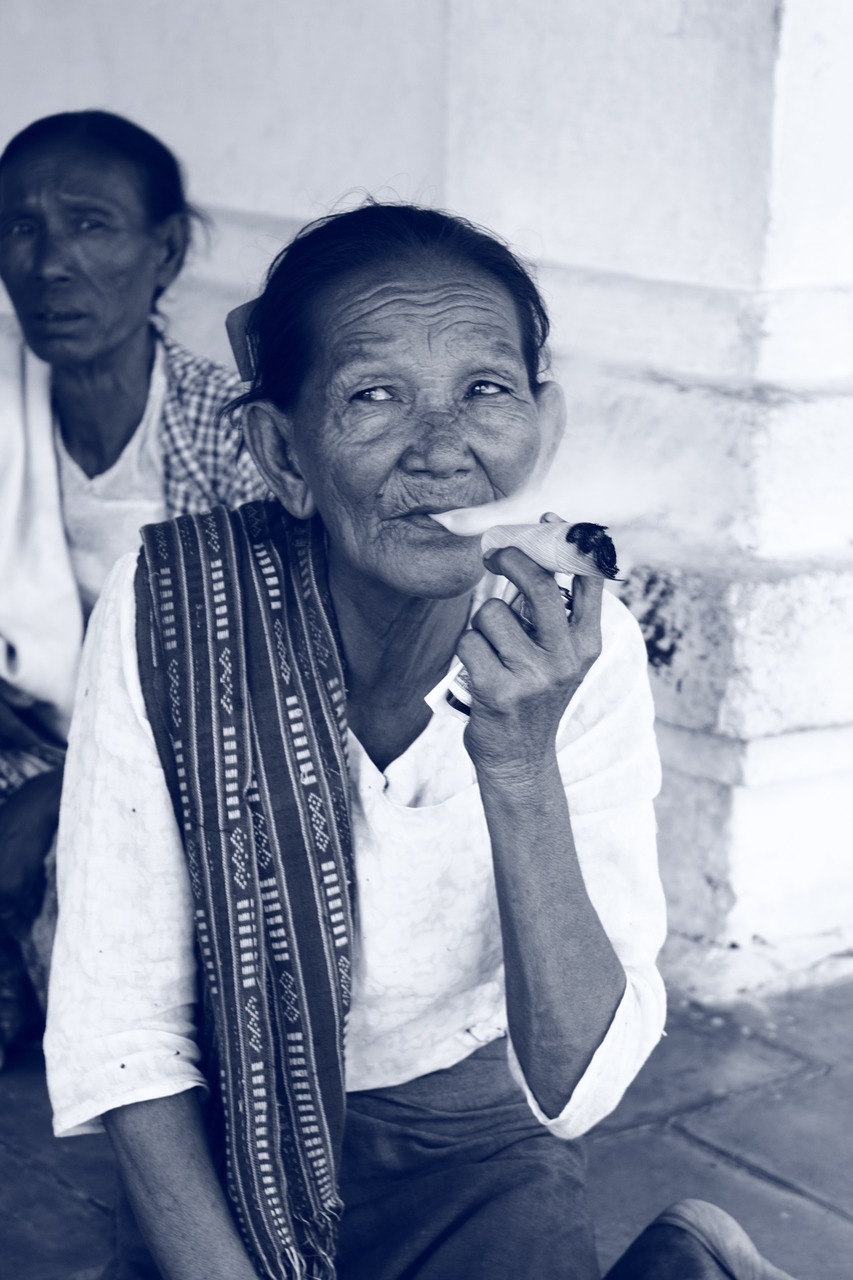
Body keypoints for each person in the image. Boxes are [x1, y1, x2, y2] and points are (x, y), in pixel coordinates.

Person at [44, 202, 794, 1280]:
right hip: (231, 1124)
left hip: (473, 1135)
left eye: (485, 391)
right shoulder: (173, 607)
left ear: (544, 424)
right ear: (283, 454)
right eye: (373, 396)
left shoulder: (580, 646)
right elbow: (122, 1026)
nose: (442, 450)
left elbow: (577, 1085)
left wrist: (518, 756)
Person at [0, 109, 267, 1046]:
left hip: (192, 766)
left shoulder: (233, 432)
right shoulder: (3, 401)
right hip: (25, 741)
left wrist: (76, 791)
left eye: (90, 223)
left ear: (166, 251)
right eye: (20, 226)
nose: (50, 263)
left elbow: (268, 680)